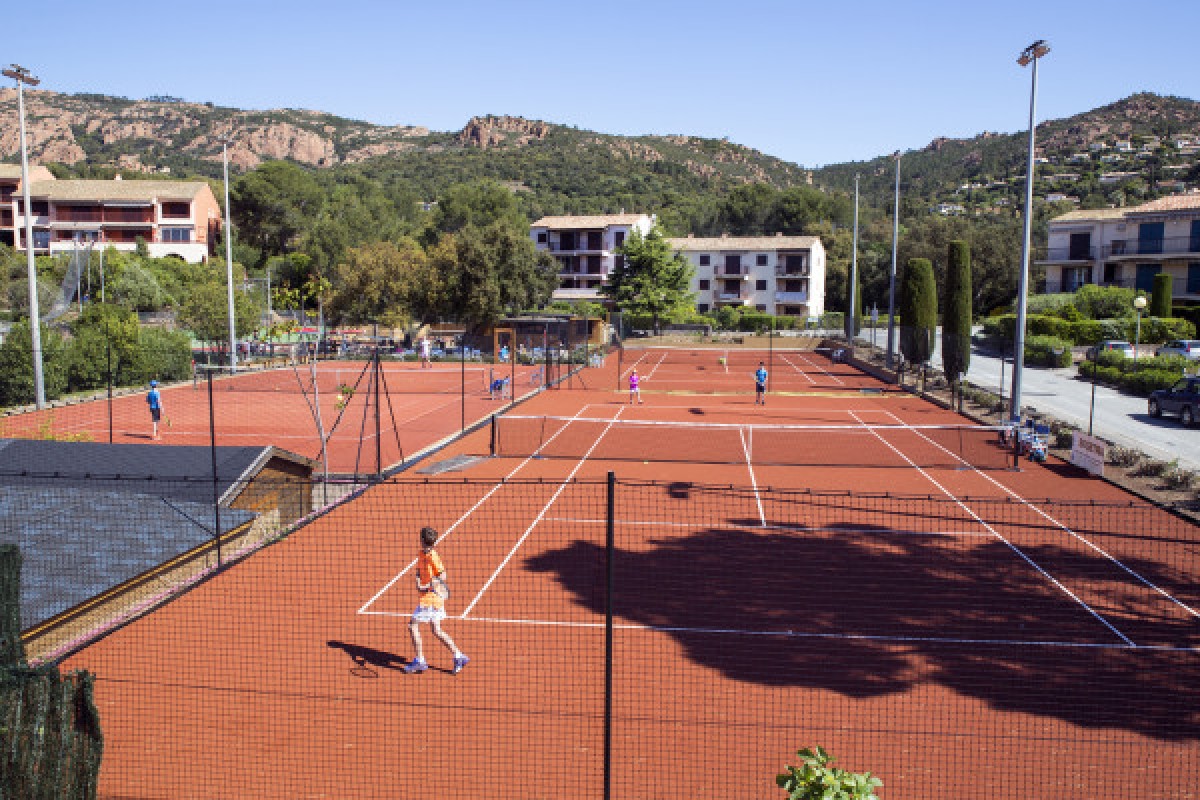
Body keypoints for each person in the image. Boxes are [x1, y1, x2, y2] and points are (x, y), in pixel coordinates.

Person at [404, 526, 469, 675]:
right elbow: (419, 570)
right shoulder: (421, 554)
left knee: (412, 626)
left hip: (430, 599)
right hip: (429, 597)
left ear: (421, 540)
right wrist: (418, 579)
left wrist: (426, 587)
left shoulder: (433, 556)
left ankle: (420, 661)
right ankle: (458, 656)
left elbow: (443, 576)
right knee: (436, 630)